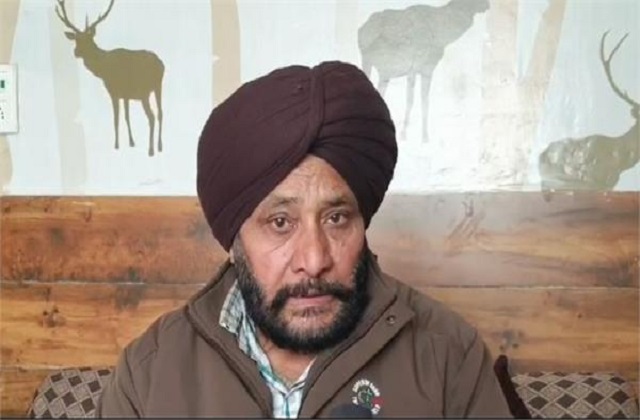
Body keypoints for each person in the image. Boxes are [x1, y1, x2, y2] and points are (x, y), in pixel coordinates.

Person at [96, 61, 512, 418]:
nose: (314, 260)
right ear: (234, 238)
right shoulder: (149, 374)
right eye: (280, 222)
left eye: (336, 218)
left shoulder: (449, 355)